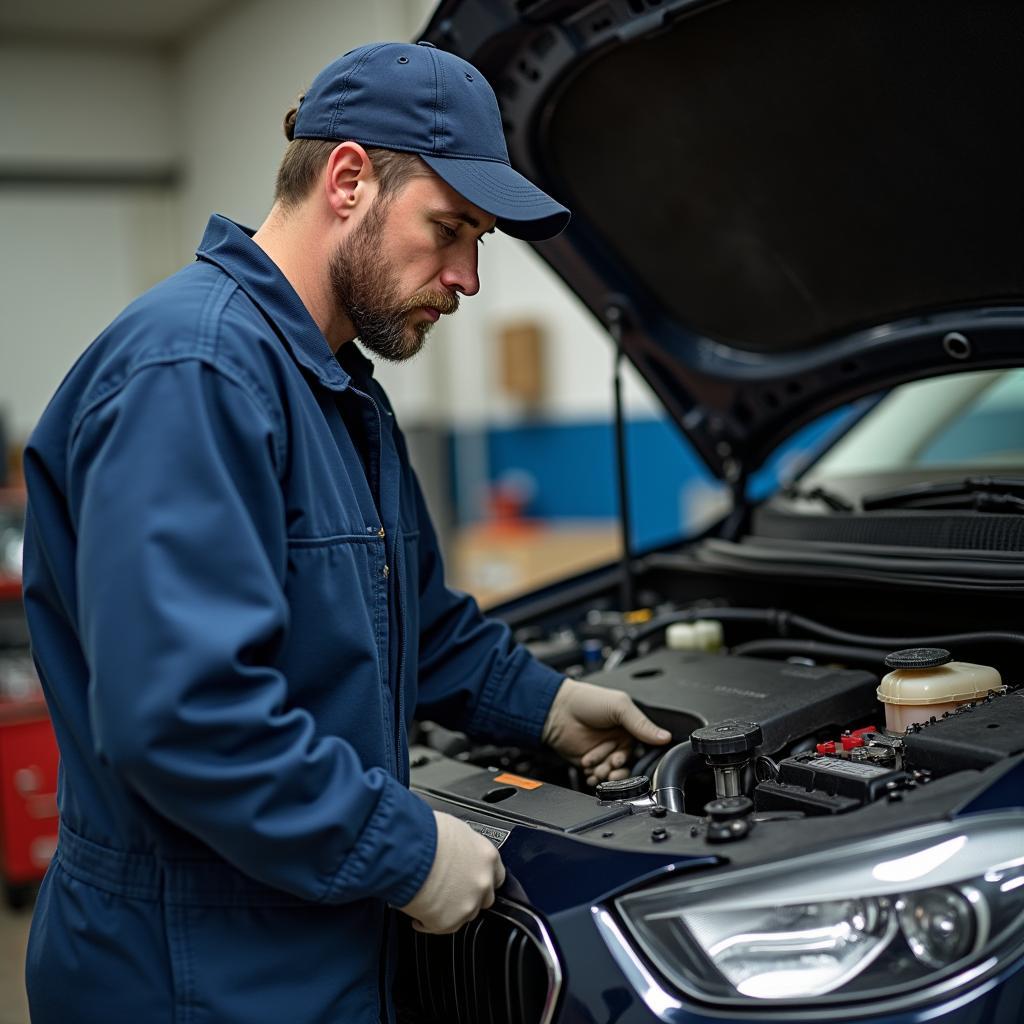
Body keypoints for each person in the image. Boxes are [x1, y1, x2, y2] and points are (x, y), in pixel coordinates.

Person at [21, 41, 671, 1024]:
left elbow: (413, 618)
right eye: (449, 229)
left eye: (481, 242)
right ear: (349, 178)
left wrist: (545, 705)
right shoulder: (194, 371)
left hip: (301, 942)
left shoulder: (339, 394)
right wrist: (402, 847)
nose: (467, 277)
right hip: (190, 970)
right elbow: (182, 710)